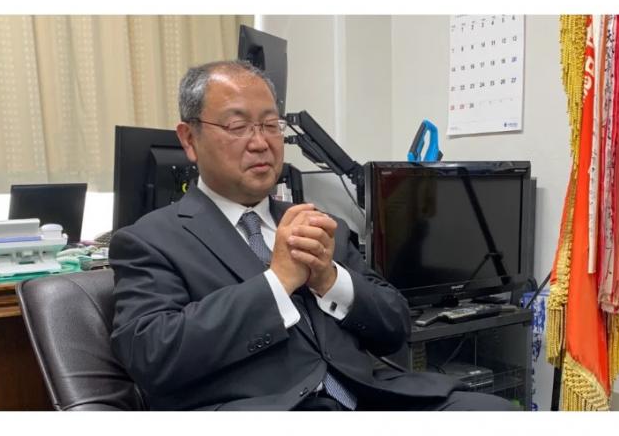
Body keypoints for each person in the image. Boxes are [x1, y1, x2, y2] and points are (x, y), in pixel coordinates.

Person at [110, 60, 516, 410]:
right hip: (268, 410)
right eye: (237, 126)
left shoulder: (315, 222)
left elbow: (395, 326)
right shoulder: (150, 241)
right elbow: (153, 355)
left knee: (496, 412)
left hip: (369, 397)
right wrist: (278, 282)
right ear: (189, 139)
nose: (261, 143)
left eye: (271, 125)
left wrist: (330, 279)